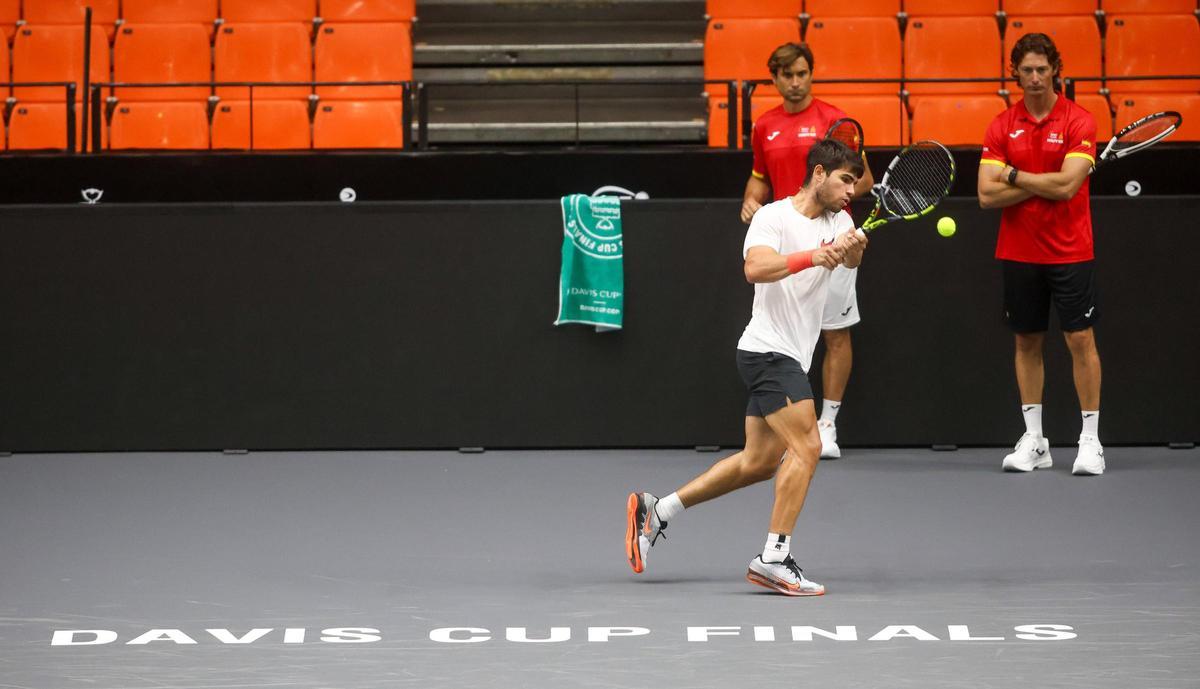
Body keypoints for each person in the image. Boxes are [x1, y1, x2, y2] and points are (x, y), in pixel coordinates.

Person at [626, 139, 868, 596]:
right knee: (809, 446)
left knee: (758, 463)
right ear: (818, 174)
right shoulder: (772, 217)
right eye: (844, 179)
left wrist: (852, 250)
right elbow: (755, 268)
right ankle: (774, 558)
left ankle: (658, 510)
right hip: (766, 351)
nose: (851, 189)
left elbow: (849, 259)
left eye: (854, 182)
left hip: (792, 354)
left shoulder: (842, 221)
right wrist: (813, 256)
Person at [977, 33, 1104, 476]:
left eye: (1042, 70)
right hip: (1019, 252)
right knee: (1027, 342)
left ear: (1055, 71)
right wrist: (1039, 180)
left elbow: (1069, 186)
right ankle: (1036, 441)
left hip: (1070, 251)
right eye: (1026, 70)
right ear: (1016, 73)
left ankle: (1090, 440)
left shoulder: (1079, 120)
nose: (1034, 78)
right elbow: (987, 196)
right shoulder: (1000, 125)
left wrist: (1012, 174)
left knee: (1079, 340)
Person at [740, 42, 874, 461]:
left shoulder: (834, 120)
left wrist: (839, 220)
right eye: (787, 75)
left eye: (802, 73)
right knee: (789, 325)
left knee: (836, 330)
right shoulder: (765, 125)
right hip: (787, 238)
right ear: (776, 79)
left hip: (834, 236)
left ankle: (827, 423)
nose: (795, 82)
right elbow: (758, 178)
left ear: (811, 74)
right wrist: (750, 199)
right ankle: (789, 428)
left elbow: (861, 181)